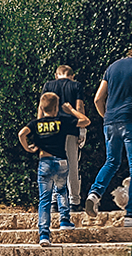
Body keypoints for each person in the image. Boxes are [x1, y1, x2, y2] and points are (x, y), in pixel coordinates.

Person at [86, 41, 132, 227]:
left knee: (111, 162)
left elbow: (98, 98)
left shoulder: (111, 67)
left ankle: (94, 194)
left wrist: (107, 117)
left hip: (110, 121)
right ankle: (130, 216)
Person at [18, 91, 91, 248]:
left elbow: (21, 133)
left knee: (45, 198)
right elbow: (85, 121)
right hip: (61, 162)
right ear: (57, 107)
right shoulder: (62, 121)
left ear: (41, 107)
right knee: (62, 191)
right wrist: (71, 110)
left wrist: (28, 148)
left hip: (45, 161)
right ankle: (64, 219)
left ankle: (44, 234)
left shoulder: (36, 124)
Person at [44, 64, 87, 208]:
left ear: (56, 75)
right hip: (70, 127)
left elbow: (41, 108)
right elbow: (79, 107)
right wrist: (82, 129)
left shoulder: (48, 85)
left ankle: (54, 201)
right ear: (72, 76)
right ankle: (74, 200)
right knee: (72, 165)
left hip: (52, 128)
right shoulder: (76, 86)